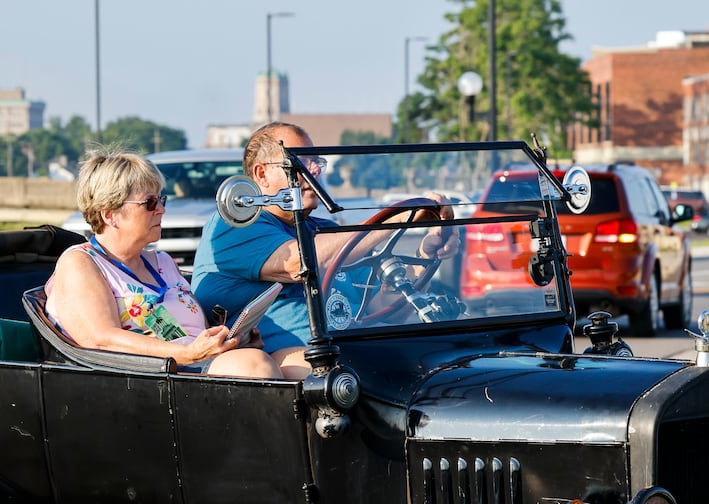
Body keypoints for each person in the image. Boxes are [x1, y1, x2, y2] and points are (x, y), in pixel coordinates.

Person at [192, 122, 456, 378]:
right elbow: (300, 261)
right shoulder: (236, 223)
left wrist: (425, 256)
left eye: (316, 162)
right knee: (352, 370)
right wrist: (396, 218)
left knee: (442, 364)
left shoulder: (324, 231)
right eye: (300, 164)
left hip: (344, 351)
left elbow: (384, 306)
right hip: (291, 364)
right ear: (261, 174)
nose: (314, 171)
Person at [46, 148, 281, 377]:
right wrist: (188, 353)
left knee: (298, 364)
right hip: (151, 379)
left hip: (191, 370)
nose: (161, 209)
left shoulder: (162, 262)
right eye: (149, 203)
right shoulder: (80, 263)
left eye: (161, 199)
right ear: (110, 214)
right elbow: (100, 338)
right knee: (256, 367)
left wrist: (228, 342)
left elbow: (190, 332)